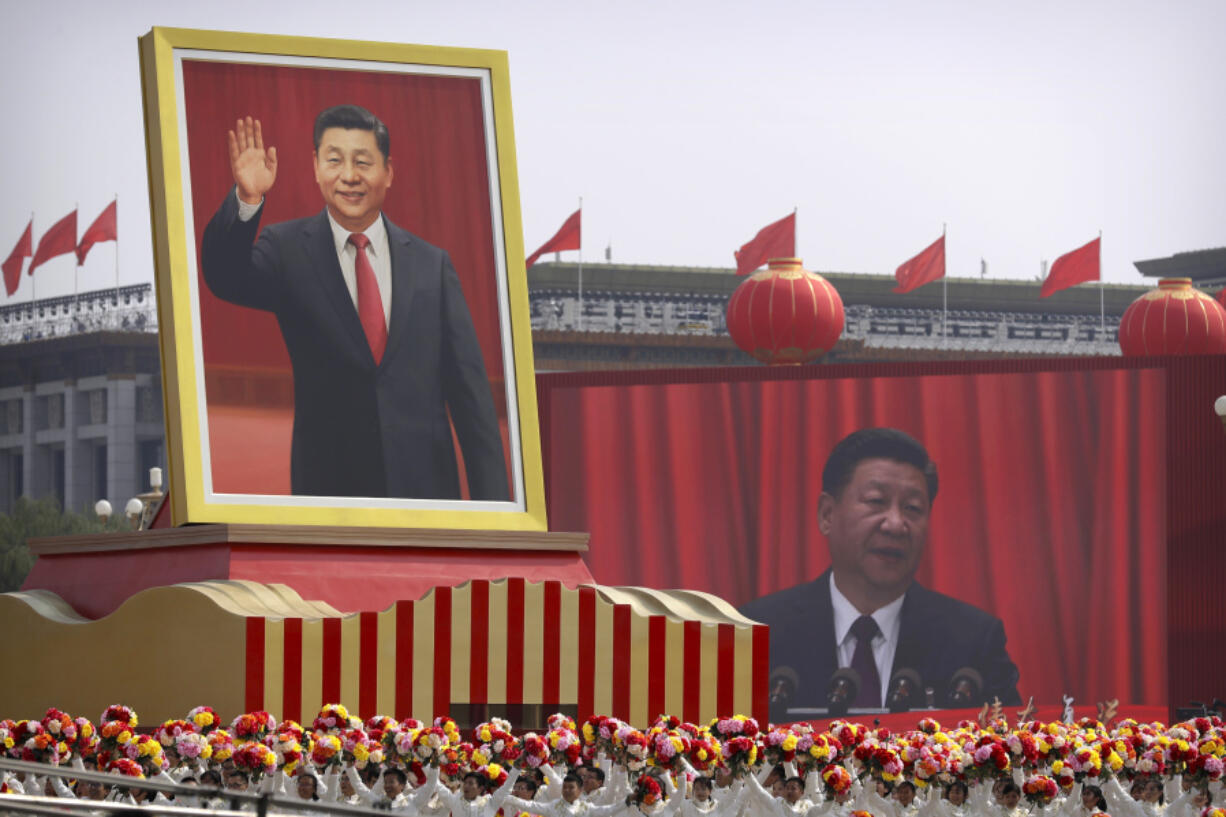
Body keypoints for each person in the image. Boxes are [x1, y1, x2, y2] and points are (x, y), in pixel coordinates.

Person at [201, 105, 509, 501]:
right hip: (330, 494)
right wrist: (247, 198)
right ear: (315, 167)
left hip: (427, 496)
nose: (349, 176)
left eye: (363, 162)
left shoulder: (433, 266)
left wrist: (498, 515)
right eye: (334, 160)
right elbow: (224, 278)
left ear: (388, 172)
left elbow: (473, 402)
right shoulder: (288, 250)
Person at [738, 427, 1021, 709]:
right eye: (876, 502)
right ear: (827, 515)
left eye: (912, 508)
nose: (896, 524)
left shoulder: (973, 642)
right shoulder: (757, 633)